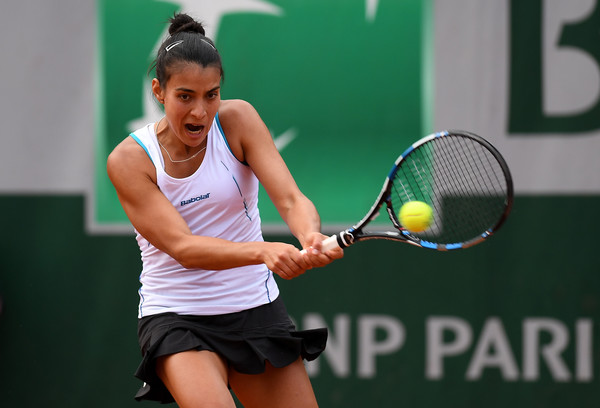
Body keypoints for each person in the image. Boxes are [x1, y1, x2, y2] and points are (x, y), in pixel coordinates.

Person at [106, 12, 343, 408]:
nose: (200, 112)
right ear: (159, 91)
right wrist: (263, 251)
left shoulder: (238, 120)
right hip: (177, 314)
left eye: (211, 95)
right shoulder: (131, 160)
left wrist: (309, 234)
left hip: (254, 307)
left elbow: (290, 199)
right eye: (185, 96)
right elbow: (182, 247)